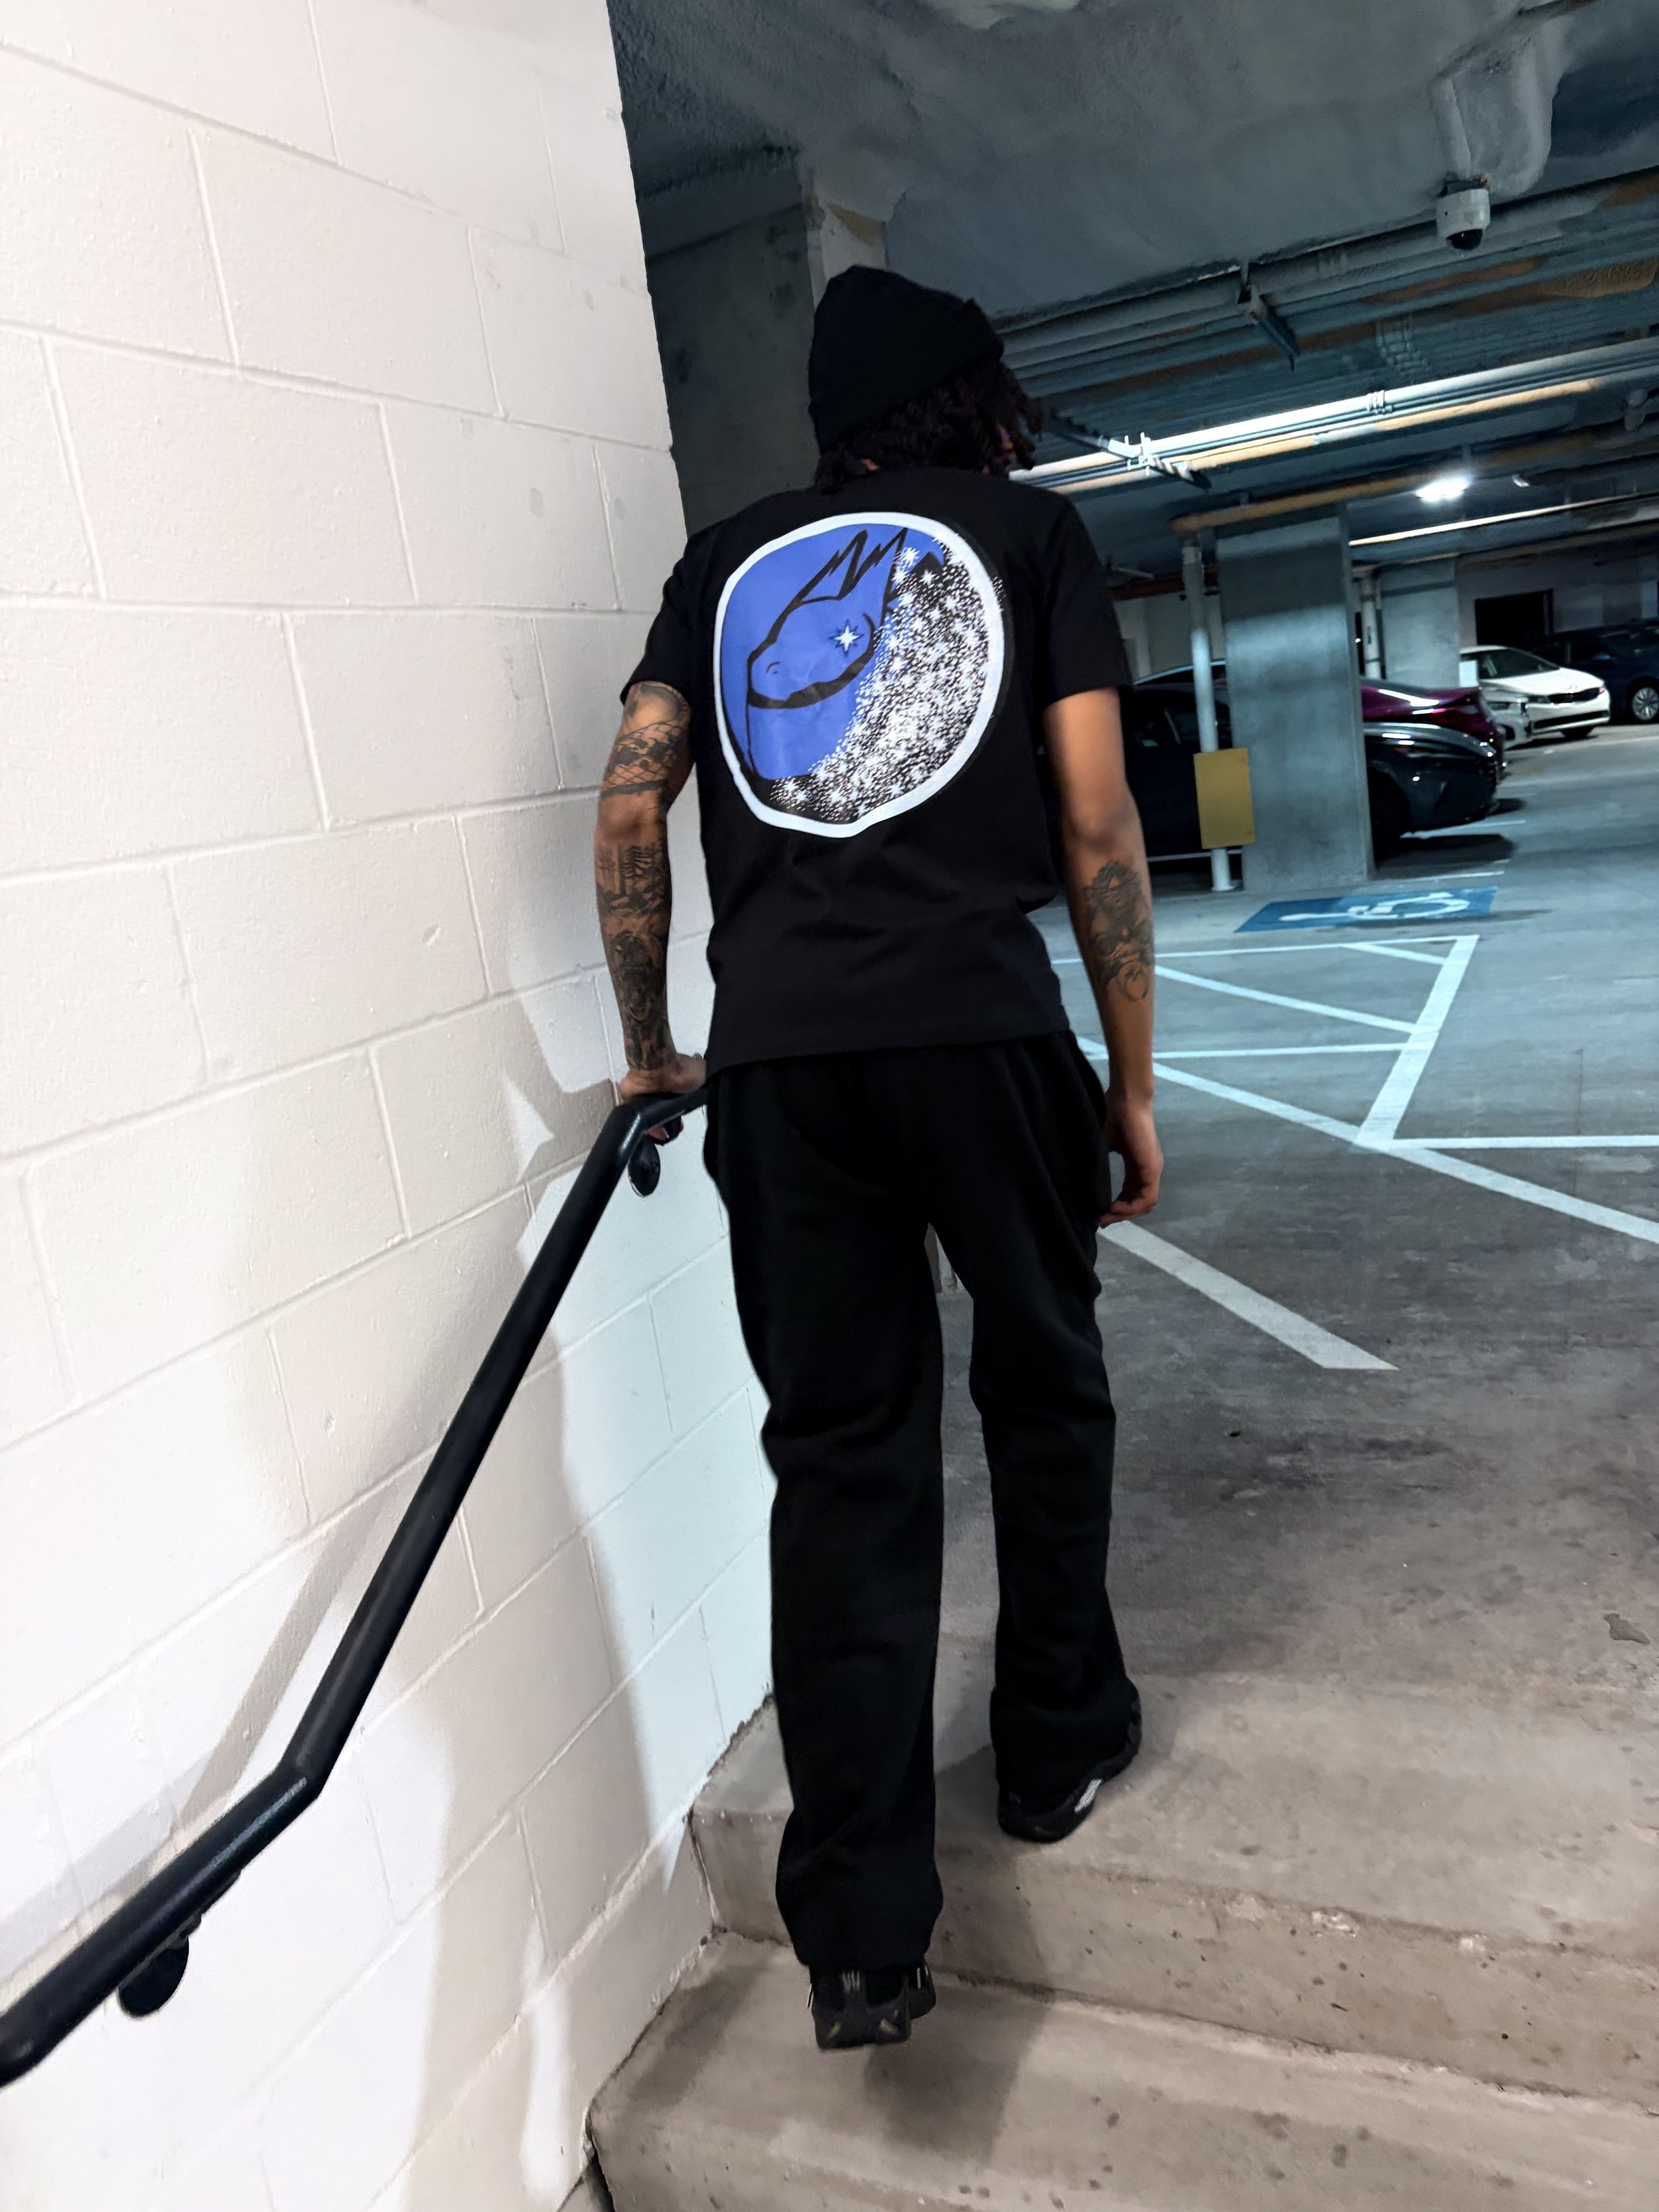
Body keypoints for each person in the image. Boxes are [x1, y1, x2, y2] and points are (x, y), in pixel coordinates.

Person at [593, 265, 1162, 2053]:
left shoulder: (724, 561)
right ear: (974, 398)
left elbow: (630, 794)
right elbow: (1092, 818)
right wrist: (1128, 1086)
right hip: (982, 1033)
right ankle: (1054, 1741)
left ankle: (857, 1934)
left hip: (784, 1066)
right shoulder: (1029, 537)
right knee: (1045, 1387)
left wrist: (652, 1046)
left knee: (841, 1465)